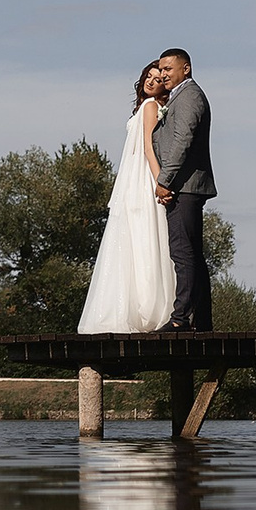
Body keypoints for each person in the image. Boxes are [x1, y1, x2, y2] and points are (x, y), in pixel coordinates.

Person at [77, 60, 178, 333]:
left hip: (141, 178)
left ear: (163, 86)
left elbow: (148, 147)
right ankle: (141, 306)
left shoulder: (149, 107)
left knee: (139, 236)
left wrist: (160, 182)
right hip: (133, 178)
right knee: (139, 237)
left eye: (158, 79)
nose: (151, 81)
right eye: (149, 75)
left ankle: (142, 308)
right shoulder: (148, 106)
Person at [149, 48, 214, 331]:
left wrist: (165, 179)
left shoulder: (189, 96)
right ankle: (201, 321)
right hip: (187, 185)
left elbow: (182, 140)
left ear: (185, 69)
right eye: (161, 69)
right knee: (192, 254)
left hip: (184, 186)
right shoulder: (181, 95)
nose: (163, 74)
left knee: (183, 253)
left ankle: (180, 320)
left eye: (168, 69)